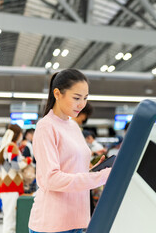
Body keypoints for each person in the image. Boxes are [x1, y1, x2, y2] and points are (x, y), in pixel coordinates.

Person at [28, 69, 111, 233]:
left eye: (85, 98)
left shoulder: (73, 126)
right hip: (53, 224)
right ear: (57, 94)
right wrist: (98, 177)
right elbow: (51, 178)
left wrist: (92, 170)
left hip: (78, 220)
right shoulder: (46, 126)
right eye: (76, 98)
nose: (82, 104)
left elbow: (72, 170)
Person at [0, 124, 32, 233]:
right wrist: (28, 160)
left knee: (8, 217)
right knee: (10, 219)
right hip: (11, 187)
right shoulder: (11, 146)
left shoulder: (4, 146)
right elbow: (16, 166)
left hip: (5, 186)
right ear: (18, 134)